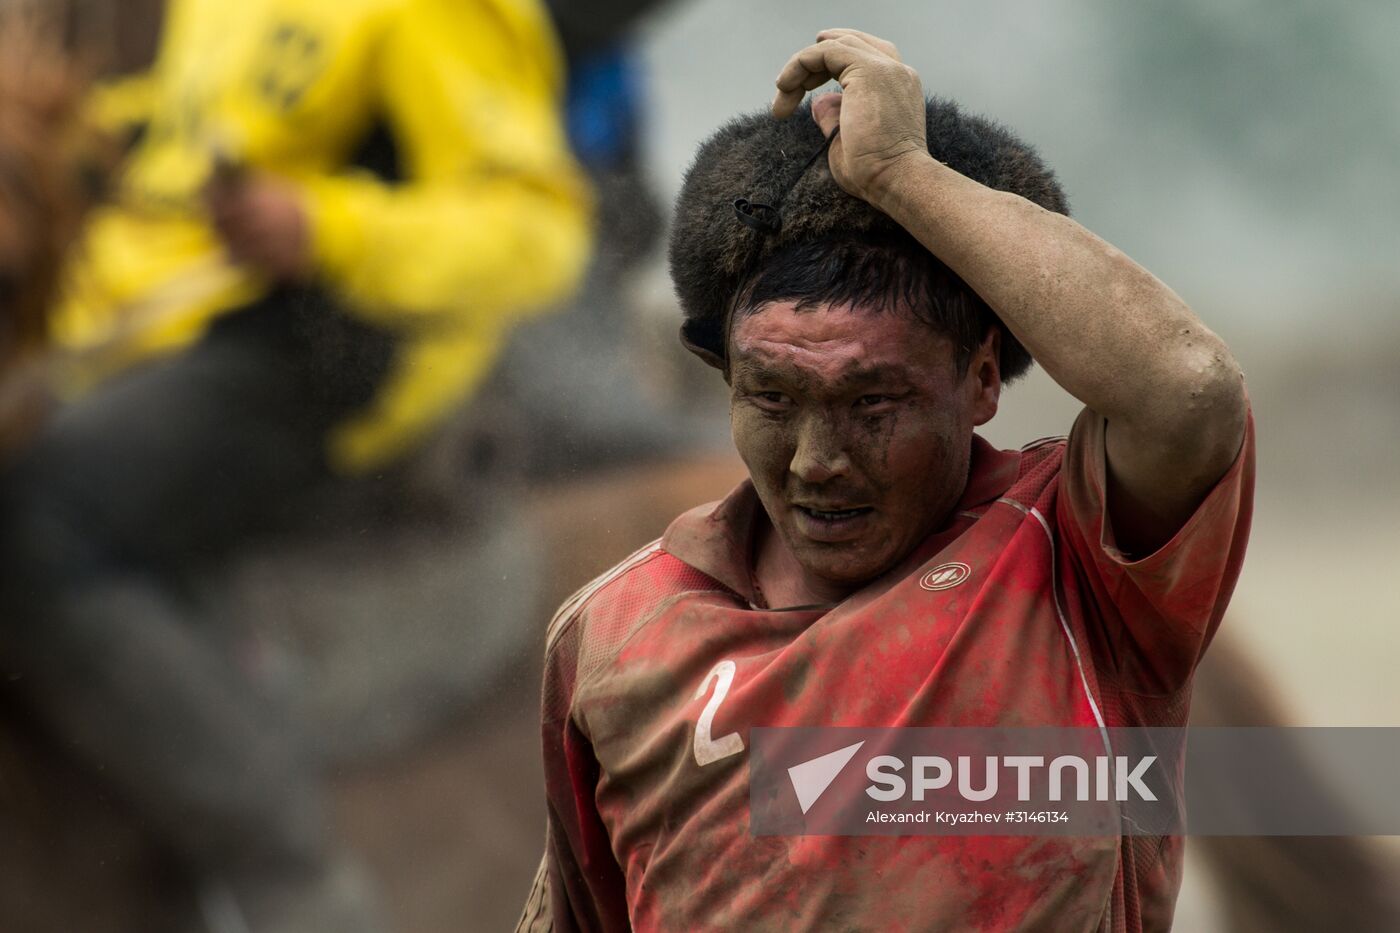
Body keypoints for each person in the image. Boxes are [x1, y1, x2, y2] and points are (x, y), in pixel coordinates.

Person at [517, 27, 1253, 932]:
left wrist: (905, 173)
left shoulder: (1074, 554)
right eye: (774, 397)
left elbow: (1187, 389)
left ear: (982, 377)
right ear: (724, 380)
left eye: (874, 402)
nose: (817, 458)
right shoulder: (612, 631)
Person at [0, 1, 590, 931]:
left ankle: (287, 875)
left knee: (35, 517)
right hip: (151, 342)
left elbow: (538, 232)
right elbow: (167, 166)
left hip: (323, 360)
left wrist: (327, 226)